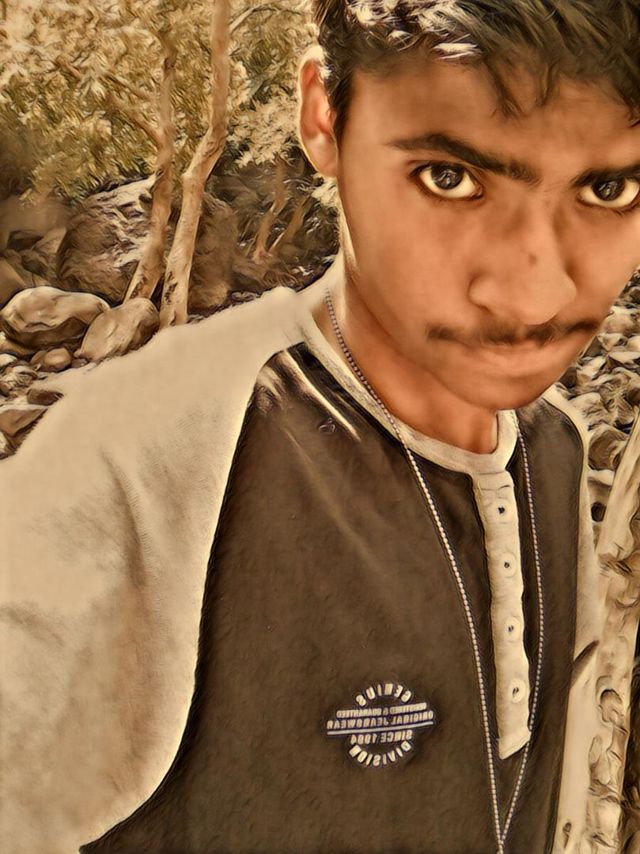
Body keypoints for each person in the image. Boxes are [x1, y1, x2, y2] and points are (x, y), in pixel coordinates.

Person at [1, 1, 639, 852]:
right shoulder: (148, 452)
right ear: (322, 118)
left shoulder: (555, 446)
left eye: (607, 189)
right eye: (450, 178)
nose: (533, 293)